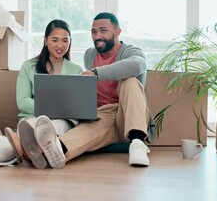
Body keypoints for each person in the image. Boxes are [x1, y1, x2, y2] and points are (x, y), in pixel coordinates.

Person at [31, 12, 152, 169]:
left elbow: (137, 66)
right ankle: (53, 151)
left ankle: (138, 143)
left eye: (103, 30)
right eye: (94, 32)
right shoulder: (90, 55)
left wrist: (96, 73)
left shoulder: (131, 52)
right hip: (103, 116)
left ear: (117, 32)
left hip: (127, 114)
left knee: (129, 81)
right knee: (81, 135)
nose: (97, 36)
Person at [5, 19, 83, 169]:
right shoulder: (29, 67)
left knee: (58, 125)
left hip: (62, 120)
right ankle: (36, 147)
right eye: (55, 40)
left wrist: (57, 110)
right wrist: (55, 109)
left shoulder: (76, 69)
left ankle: (28, 148)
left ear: (70, 42)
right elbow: (22, 101)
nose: (60, 45)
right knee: (29, 124)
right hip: (33, 117)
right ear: (45, 41)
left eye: (65, 40)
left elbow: (77, 104)